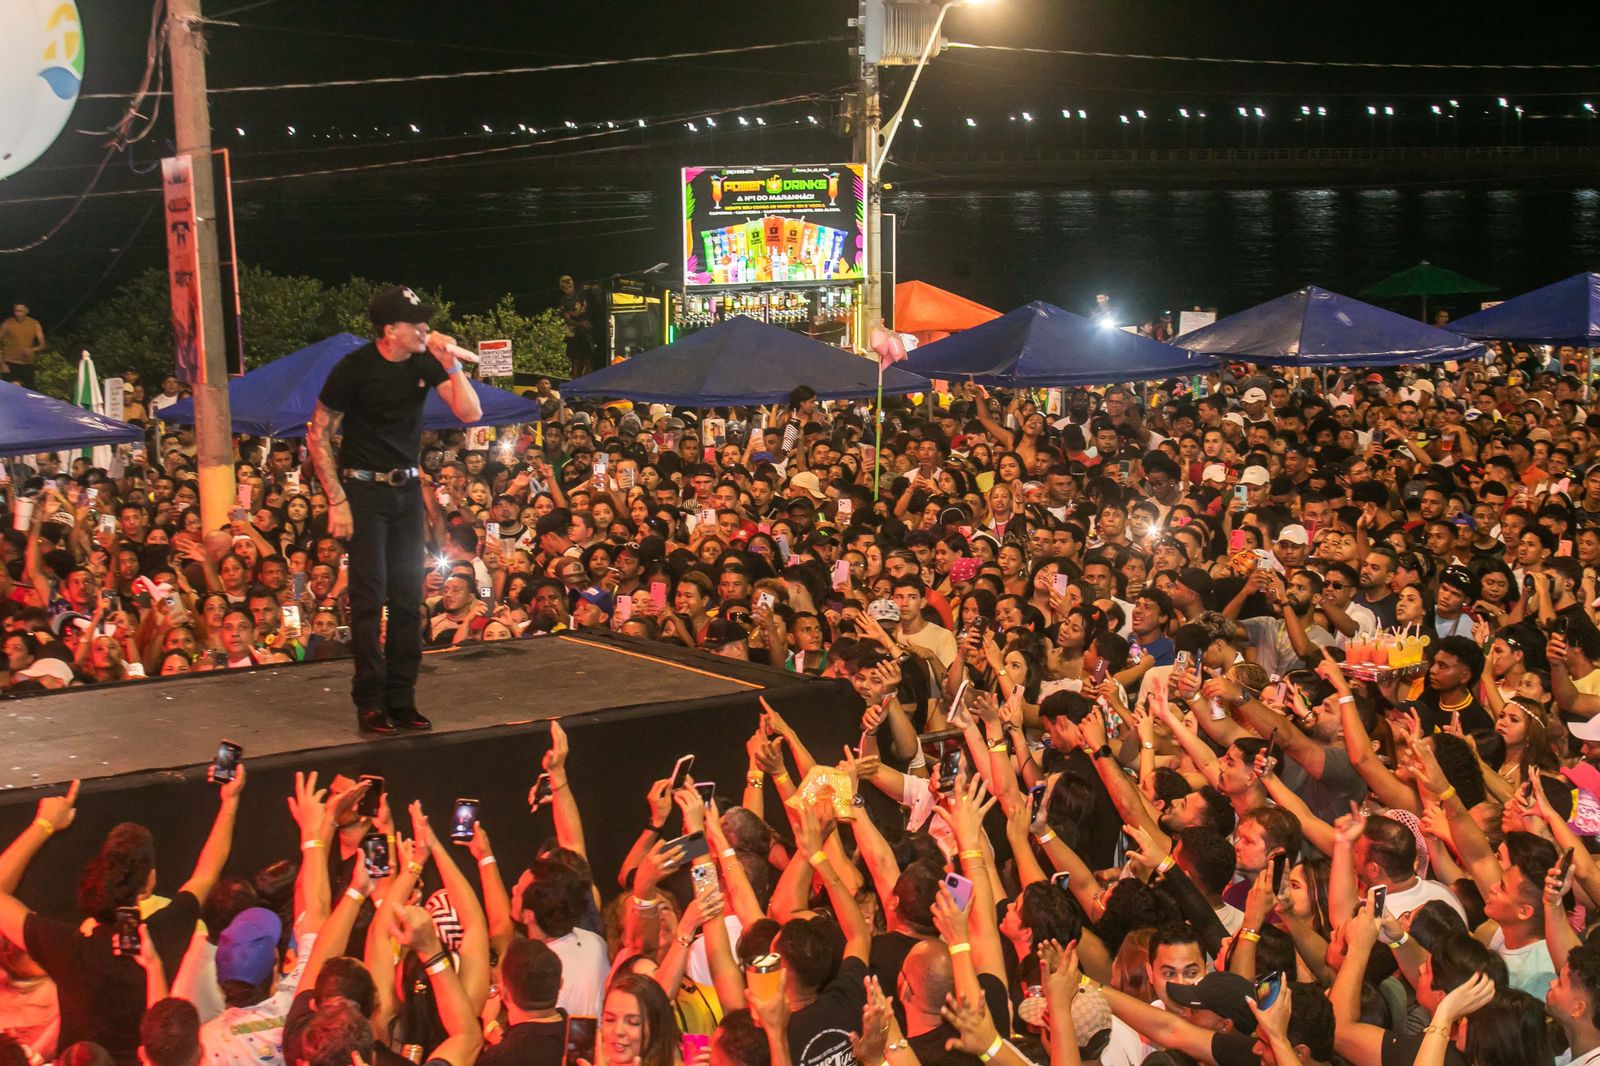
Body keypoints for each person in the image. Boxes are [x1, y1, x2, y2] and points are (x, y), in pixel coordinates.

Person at [307, 285, 481, 734]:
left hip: (405, 490)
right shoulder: (354, 369)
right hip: (362, 490)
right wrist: (336, 499)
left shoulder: (425, 361)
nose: (426, 327)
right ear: (390, 330)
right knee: (369, 598)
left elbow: (470, 412)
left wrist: (451, 362)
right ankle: (369, 699)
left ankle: (402, 699)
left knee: (408, 597)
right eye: (416, 321)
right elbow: (319, 432)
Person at [0, 304, 45, 388]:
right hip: (10, 363)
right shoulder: (8, 323)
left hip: (27, 363)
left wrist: (32, 349)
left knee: (30, 392)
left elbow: (42, 345)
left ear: (27, 311)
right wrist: (2, 363)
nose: (18, 314)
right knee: (10, 390)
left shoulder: (34, 324)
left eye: (21, 311)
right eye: (16, 311)